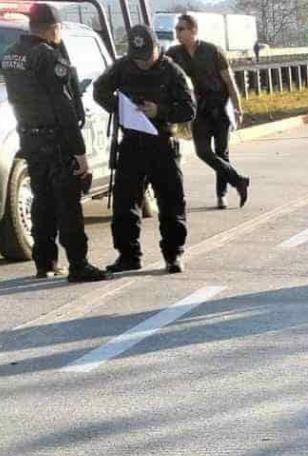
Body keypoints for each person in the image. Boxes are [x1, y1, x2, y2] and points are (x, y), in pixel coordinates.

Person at [0, 3, 107, 283]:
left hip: (29, 139)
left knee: (42, 202)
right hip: (56, 140)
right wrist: (80, 153)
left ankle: (44, 262)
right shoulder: (47, 57)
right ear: (54, 28)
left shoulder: (11, 55)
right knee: (68, 205)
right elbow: (64, 108)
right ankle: (78, 264)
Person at [95, 25, 195, 274]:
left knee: (171, 202)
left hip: (162, 143)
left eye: (146, 57)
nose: (141, 63)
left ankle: (173, 254)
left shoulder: (172, 72)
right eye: (137, 58)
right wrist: (121, 108)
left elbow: (189, 109)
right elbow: (99, 90)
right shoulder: (123, 66)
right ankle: (128, 255)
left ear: (156, 49)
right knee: (125, 203)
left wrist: (159, 111)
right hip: (132, 142)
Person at [166, 13, 251, 210]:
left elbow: (229, 81)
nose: (177, 33)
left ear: (193, 30)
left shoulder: (213, 51)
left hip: (220, 108)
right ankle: (239, 180)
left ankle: (222, 195)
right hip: (198, 111)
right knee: (203, 151)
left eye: (181, 29)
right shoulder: (173, 54)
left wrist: (238, 108)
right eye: (176, 29)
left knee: (222, 152)